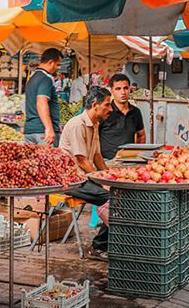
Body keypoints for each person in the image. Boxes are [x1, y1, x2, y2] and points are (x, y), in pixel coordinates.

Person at [59, 87, 113, 260]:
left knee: (118, 193)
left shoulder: (95, 124)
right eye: (107, 105)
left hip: (84, 178)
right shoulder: (77, 125)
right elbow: (82, 160)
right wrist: (103, 181)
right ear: (95, 105)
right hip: (72, 180)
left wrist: (109, 177)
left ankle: (109, 243)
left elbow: (97, 156)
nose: (110, 109)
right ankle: (98, 247)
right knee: (112, 198)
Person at [98, 73, 146, 160]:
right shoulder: (105, 111)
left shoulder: (136, 112)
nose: (123, 92)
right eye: (118, 89)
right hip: (107, 161)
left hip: (129, 160)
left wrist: (138, 154)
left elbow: (141, 135)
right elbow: (94, 137)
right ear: (111, 91)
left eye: (126, 88)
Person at [23, 48, 63, 146]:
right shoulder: (46, 78)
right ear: (51, 62)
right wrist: (49, 128)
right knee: (48, 160)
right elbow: (41, 102)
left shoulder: (32, 78)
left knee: (33, 161)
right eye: (58, 64)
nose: (59, 68)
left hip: (30, 130)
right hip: (42, 132)